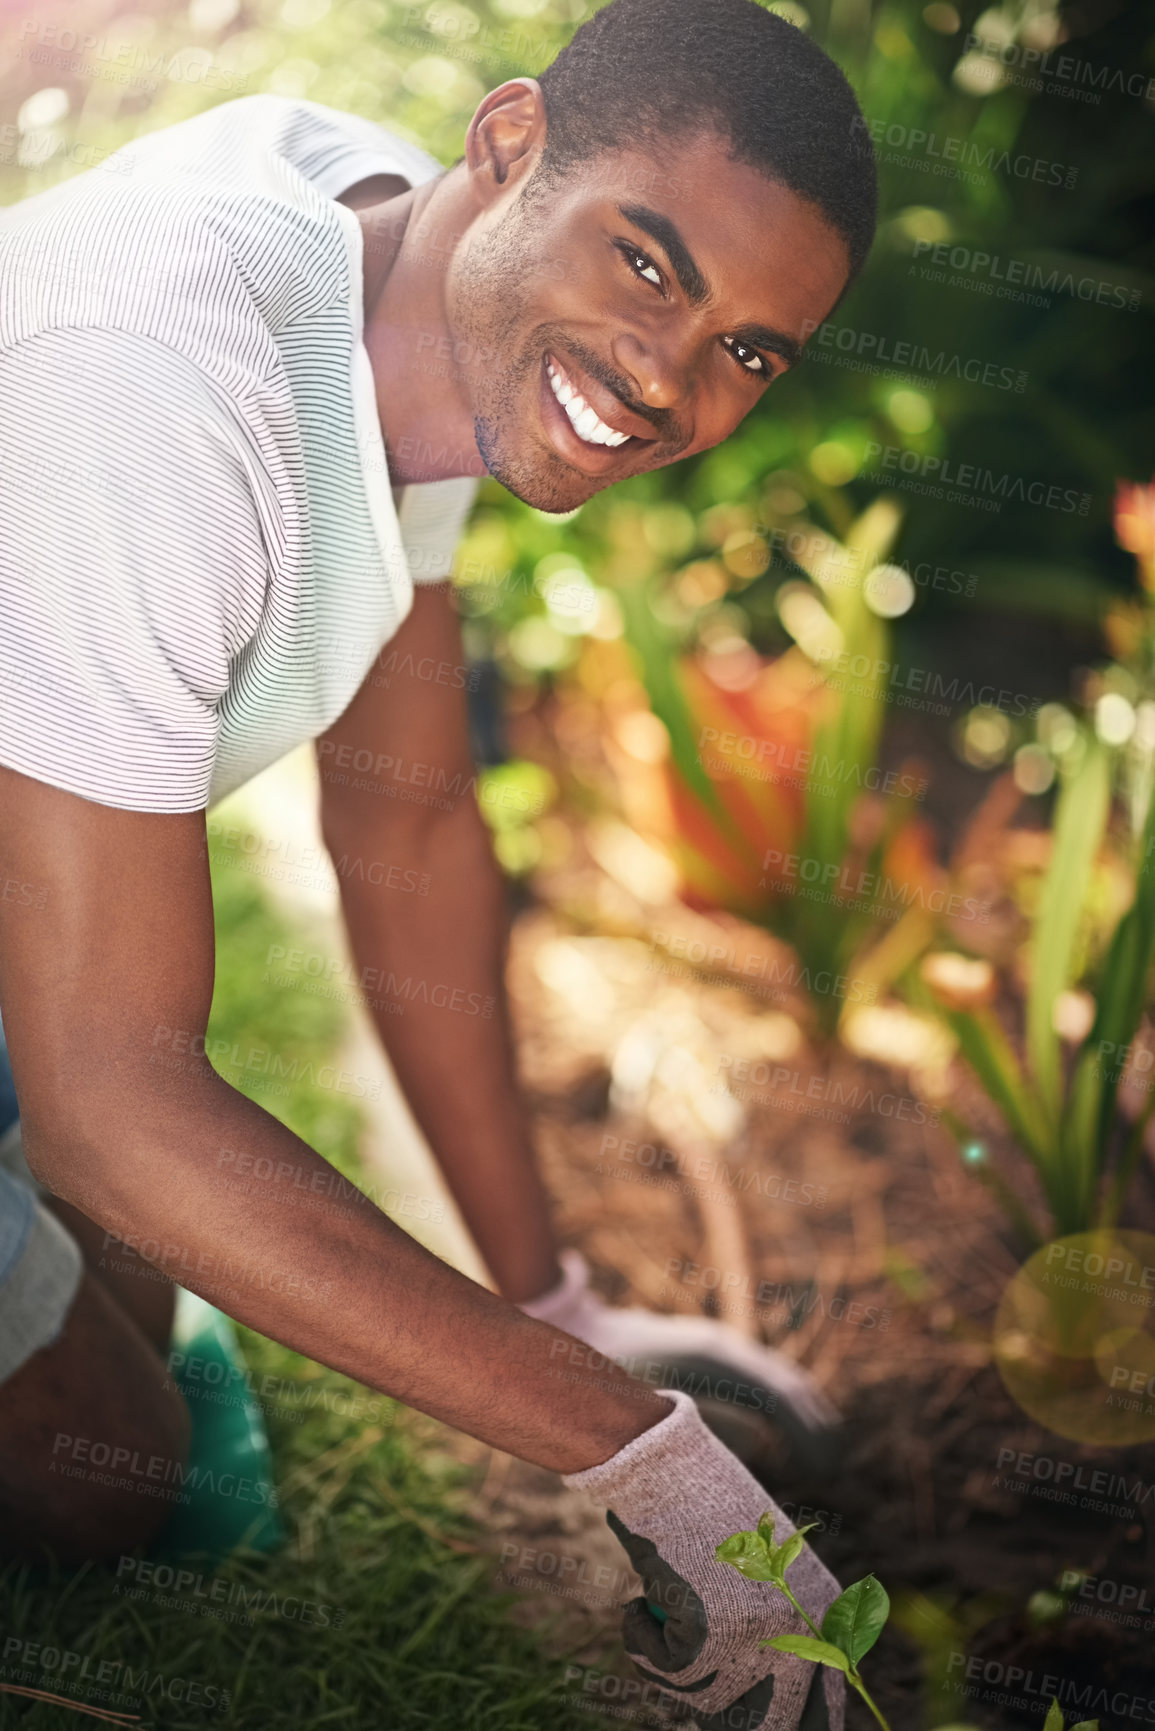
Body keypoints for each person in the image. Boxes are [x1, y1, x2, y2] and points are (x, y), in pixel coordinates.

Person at [0, 0, 876, 1723]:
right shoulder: (165, 377)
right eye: (651, 264)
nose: (668, 381)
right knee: (108, 1475)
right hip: (46, 1034)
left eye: (749, 351)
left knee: (157, 1303)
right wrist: (648, 1461)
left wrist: (552, 1304)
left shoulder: (419, 301)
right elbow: (113, 1096)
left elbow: (403, 820)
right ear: (509, 144)